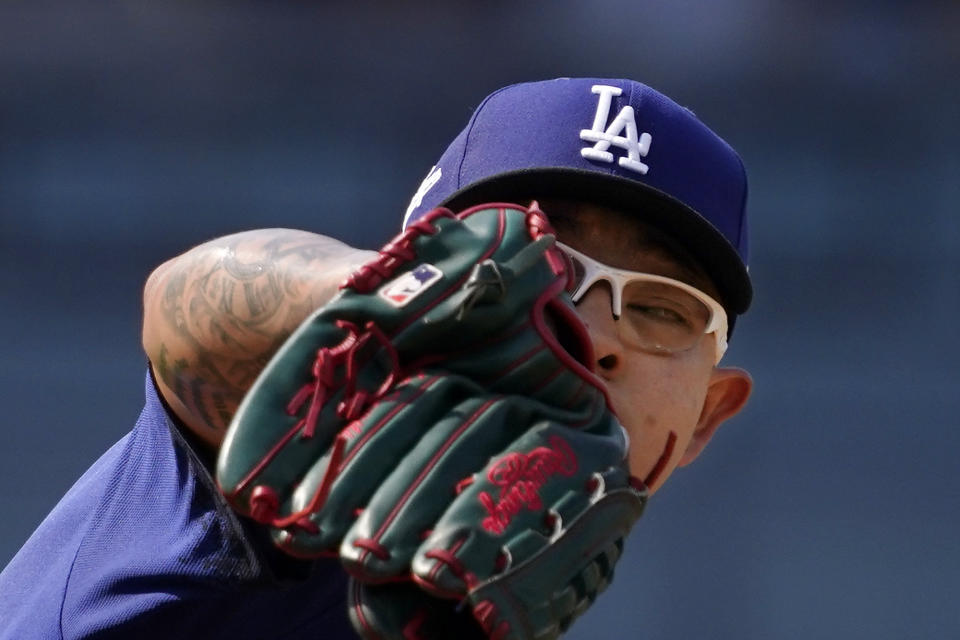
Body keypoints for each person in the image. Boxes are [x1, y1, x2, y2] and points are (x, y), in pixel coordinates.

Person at [0, 77, 754, 639]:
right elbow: (188, 307)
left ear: (705, 419)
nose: (589, 332)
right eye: (538, 263)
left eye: (661, 309)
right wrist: (367, 309)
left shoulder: (502, 601)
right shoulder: (293, 459)